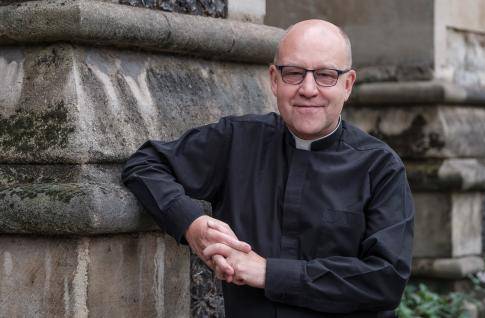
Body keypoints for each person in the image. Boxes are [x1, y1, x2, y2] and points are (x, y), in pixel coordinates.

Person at [122, 19, 414, 318]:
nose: (308, 89)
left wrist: (268, 272)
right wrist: (193, 225)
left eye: (326, 75)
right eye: (294, 73)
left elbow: (385, 280)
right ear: (274, 79)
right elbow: (144, 164)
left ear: (347, 84)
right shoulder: (237, 140)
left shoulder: (380, 166)